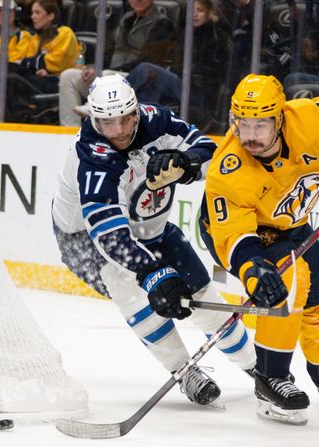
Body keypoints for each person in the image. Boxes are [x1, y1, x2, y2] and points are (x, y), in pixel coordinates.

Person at [51, 74, 258, 408]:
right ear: (93, 119)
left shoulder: (155, 121)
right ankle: (184, 370)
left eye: (124, 120)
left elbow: (210, 152)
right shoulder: (93, 157)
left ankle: (257, 367)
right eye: (106, 122)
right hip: (86, 240)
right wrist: (153, 274)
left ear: (136, 112)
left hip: (149, 227)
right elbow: (108, 233)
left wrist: (185, 163)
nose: (117, 131)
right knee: (132, 290)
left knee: (201, 291)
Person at [200, 74, 319, 425]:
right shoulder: (227, 170)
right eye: (243, 124)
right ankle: (270, 379)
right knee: (288, 284)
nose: (250, 136)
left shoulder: (306, 117)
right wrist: (253, 268)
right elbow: (232, 236)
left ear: (280, 118)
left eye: (260, 124)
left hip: (291, 223)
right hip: (245, 235)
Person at [58, 0, 178, 127]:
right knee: (69, 76)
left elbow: (150, 61)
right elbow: (108, 52)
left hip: (136, 79)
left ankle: (93, 108)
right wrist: (94, 68)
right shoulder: (125, 20)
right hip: (108, 75)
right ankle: (71, 132)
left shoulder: (162, 24)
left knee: (108, 75)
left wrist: (112, 70)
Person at [123, 0, 229, 131]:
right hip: (182, 82)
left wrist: (186, 72)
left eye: (200, 10)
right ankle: (144, 126)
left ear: (209, 13)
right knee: (150, 85)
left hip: (198, 92)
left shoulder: (217, 37)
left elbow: (216, 73)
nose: (195, 14)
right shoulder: (187, 32)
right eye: (192, 10)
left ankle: (116, 96)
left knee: (146, 69)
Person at [5, 0, 79, 122]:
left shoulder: (65, 33)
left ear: (50, 16)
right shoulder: (35, 38)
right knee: (8, 75)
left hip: (57, 82)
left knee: (12, 81)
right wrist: (34, 64)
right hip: (38, 79)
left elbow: (56, 62)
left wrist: (38, 65)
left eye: (37, 12)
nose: (32, 16)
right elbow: (26, 62)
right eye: (32, 12)